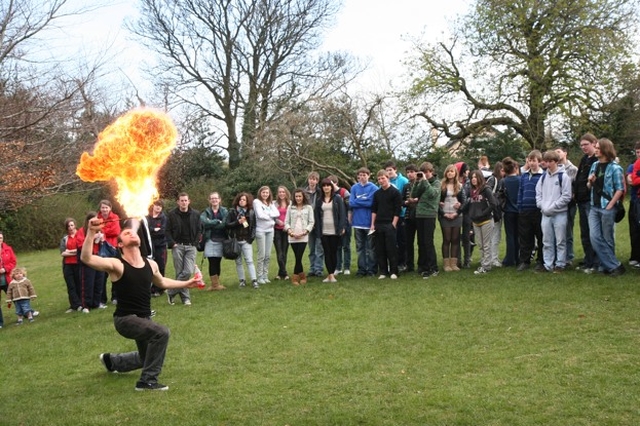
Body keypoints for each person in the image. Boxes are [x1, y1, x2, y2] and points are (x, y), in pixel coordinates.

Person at [81, 217, 199, 391]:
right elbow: (87, 258)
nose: (132, 233)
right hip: (125, 320)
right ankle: (147, 381)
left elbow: (163, 283)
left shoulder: (150, 264)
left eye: (133, 231)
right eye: (127, 233)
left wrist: (186, 283)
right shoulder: (117, 264)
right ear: (120, 244)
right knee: (161, 333)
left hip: (143, 318)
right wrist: (91, 232)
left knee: (147, 358)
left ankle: (111, 361)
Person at [587, 138, 626, 276]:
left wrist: (610, 205)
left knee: (607, 238)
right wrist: (590, 182)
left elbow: (620, 189)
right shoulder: (595, 165)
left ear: (605, 149)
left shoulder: (615, 168)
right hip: (594, 206)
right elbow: (589, 186)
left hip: (607, 206)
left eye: (598, 147)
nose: (595, 149)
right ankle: (615, 265)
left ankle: (607, 267)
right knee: (594, 237)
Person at [536, 150, 572, 272]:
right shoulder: (543, 177)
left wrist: (553, 207)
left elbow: (566, 196)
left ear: (556, 161)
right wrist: (542, 205)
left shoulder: (564, 176)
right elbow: (538, 194)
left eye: (551, 161)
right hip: (545, 213)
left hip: (559, 213)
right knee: (547, 240)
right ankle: (548, 264)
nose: (548, 164)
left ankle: (560, 264)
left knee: (560, 240)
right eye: (546, 161)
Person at [166, 192, 200, 306]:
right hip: (178, 246)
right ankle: (185, 298)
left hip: (191, 246)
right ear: (178, 202)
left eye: (186, 200)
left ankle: (171, 292)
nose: (184, 202)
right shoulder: (172, 214)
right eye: (182, 200)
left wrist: (195, 243)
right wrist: (172, 243)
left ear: (189, 201)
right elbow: (167, 230)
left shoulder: (195, 214)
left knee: (188, 271)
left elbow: (200, 229)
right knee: (179, 272)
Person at [575, 133, 600, 273]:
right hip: (581, 200)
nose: (584, 147)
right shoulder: (584, 159)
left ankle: (595, 262)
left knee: (593, 233)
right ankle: (588, 260)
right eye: (582, 145)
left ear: (594, 143)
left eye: (586, 144)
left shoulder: (597, 160)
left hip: (591, 201)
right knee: (584, 232)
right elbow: (579, 177)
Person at [371, 170, 403, 279]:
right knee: (380, 249)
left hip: (390, 224)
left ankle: (394, 271)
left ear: (387, 178)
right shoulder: (377, 194)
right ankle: (383, 271)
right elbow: (374, 210)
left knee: (391, 248)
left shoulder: (395, 192)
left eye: (383, 178)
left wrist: (393, 224)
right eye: (379, 179)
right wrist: (372, 224)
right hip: (378, 224)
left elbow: (397, 209)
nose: (381, 181)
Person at [314, 178, 347, 283]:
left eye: (328, 185)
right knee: (327, 252)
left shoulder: (337, 198)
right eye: (324, 186)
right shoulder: (319, 200)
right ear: (322, 188)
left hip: (335, 230)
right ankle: (330, 275)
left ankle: (332, 274)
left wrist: (342, 227)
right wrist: (318, 230)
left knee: (333, 252)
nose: (326, 187)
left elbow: (342, 214)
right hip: (324, 231)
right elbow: (317, 217)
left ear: (331, 187)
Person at [517, 150, 544, 272]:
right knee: (525, 237)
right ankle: (525, 261)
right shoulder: (524, 176)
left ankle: (541, 261)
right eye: (530, 160)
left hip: (538, 210)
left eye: (534, 161)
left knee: (540, 236)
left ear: (539, 162)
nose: (532, 163)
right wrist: (520, 206)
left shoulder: (543, 176)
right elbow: (520, 191)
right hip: (525, 210)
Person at [412, 162, 441, 278]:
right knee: (421, 242)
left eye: (427, 172)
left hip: (430, 214)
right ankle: (423, 266)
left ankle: (433, 267)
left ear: (431, 171)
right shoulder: (422, 182)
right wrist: (417, 182)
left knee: (428, 242)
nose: (425, 174)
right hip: (420, 214)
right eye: (423, 172)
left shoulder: (437, 183)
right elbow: (414, 194)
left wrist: (424, 181)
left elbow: (432, 194)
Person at [465, 170, 496, 275]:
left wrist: (483, 213)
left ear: (480, 178)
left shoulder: (486, 189)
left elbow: (493, 204)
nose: (473, 179)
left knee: (486, 244)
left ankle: (486, 266)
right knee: (480, 244)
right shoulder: (471, 190)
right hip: (475, 221)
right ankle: (484, 262)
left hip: (486, 220)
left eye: (475, 177)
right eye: (471, 177)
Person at [349, 167, 378, 277]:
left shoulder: (373, 188)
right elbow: (351, 203)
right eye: (360, 175)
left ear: (368, 175)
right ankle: (361, 269)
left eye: (364, 175)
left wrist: (358, 201)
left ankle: (371, 269)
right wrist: (363, 201)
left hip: (369, 222)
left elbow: (371, 203)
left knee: (370, 247)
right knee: (360, 248)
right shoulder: (354, 188)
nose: (362, 177)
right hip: (357, 222)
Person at [226, 192, 259, 288]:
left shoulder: (251, 212)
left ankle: (254, 280)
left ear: (247, 201)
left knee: (249, 260)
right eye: (240, 199)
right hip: (235, 240)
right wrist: (237, 222)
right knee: (238, 261)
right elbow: (227, 225)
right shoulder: (232, 212)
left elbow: (253, 227)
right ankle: (242, 280)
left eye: (244, 200)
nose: (242, 201)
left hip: (246, 240)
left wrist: (251, 239)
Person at [76, 211, 106, 312]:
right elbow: (80, 245)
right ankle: (86, 305)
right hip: (88, 260)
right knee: (87, 282)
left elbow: (104, 241)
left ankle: (96, 303)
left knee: (99, 281)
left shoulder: (100, 230)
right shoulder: (81, 231)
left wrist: (101, 238)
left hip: (98, 257)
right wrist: (92, 238)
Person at [284, 189, 315, 285]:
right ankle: (302, 276)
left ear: (303, 197)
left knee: (299, 257)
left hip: (303, 236)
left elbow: (311, 222)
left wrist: (305, 232)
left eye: (300, 196)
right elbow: (286, 222)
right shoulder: (290, 207)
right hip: (292, 236)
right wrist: (290, 231)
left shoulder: (308, 207)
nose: (298, 198)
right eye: (296, 196)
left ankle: (295, 277)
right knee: (297, 257)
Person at [438, 164, 466, 272]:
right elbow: (437, 202)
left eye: (452, 171)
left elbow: (464, 201)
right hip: (445, 214)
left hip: (456, 215)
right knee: (447, 239)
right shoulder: (442, 185)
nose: (450, 173)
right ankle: (446, 264)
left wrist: (458, 211)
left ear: (455, 173)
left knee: (455, 239)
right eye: (448, 171)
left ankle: (454, 263)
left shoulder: (459, 185)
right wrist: (443, 213)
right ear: (446, 173)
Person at [384, 161, 409, 270]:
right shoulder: (385, 181)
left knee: (402, 240)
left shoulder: (403, 181)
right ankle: (393, 262)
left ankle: (403, 262)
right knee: (391, 240)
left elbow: (407, 195)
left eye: (390, 170)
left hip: (401, 214)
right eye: (387, 170)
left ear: (395, 170)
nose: (389, 172)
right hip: (389, 215)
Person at [200, 192, 228, 291]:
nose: (214, 200)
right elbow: (203, 222)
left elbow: (224, 224)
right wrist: (216, 221)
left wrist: (210, 223)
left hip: (221, 239)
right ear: (209, 200)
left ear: (219, 199)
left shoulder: (224, 211)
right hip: (210, 239)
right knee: (212, 261)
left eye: (216, 198)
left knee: (218, 261)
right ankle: (214, 285)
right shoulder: (206, 211)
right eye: (212, 198)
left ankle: (217, 284)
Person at [555, 146, 578, 266]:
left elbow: (576, 185)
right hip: (557, 204)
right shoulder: (555, 169)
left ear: (565, 153)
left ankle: (569, 256)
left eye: (558, 152)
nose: (557, 154)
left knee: (568, 230)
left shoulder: (573, 169)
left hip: (570, 204)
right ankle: (558, 256)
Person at [253, 186, 280, 284]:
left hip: (270, 230)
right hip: (261, 230)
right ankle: (259, 276)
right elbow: (260, 215)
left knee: (268, 255)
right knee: (262, 255)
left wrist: (268, 215)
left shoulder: (271, 203)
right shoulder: (257, 202)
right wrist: (270, 215)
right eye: (263, 192)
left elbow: (276, 213)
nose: (265, 194)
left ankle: (265, 275)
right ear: (260, 193)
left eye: (267, 193)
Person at [98, 200, 121, 306]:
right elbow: (94, 230)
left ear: (110, 208)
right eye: (103, 207)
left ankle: (115, 296)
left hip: (113, 248)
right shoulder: (97, 218)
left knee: (115, 272)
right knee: (102, 275)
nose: (104, 210)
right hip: (101, 248)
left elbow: (116, 231)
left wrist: (102, 230)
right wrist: (106, 229)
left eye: (106, 207)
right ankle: (102, 299)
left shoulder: (115, 217)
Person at [499, 157, 521, 267]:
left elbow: (500, 196)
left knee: (510, 236)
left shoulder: (503, 181)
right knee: (519, 236)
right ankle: (518, 258)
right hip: (520, 211)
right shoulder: (520, 180)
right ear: (515, 168)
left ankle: (510, 259)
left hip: (508, 211)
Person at [328, 175, 351, 276]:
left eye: (330, 184)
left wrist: (347, 224)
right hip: (334, 224)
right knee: (337, 247)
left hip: (345, 223)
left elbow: (350, 208)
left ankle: (347, 267)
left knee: (346, 246)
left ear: (335, 183)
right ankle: (338, 267)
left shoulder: (344, 192)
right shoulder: (329, 194)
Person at [60, 218, 83, 313]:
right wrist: (74, 252)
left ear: (75, 225)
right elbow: (63, 253)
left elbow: (81, 250)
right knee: (71, 285)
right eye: (68, 226)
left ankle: (81, 303)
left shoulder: (80, 236)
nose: (70, 227)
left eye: (72, 225)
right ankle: (74, 305)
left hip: (78, 264)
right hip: (67, 265)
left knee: (79, 284)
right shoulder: (65, 239)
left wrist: (69, 251)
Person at [304, 172, 325, 277]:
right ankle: (312, 268)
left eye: (314, 179)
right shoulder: (304, 192)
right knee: (311, 248)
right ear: (308, 180)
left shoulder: (321, 192)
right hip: (307, 223)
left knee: (319, 248)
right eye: (311, 179)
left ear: (317, 181)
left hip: (319, 223)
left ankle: (318, 269)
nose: (312, 181)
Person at [146, 200, 168, 296]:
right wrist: (153, 230)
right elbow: (146, 230)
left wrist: (153, 231)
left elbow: (163, 231)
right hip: (149, 246)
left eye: (160, 206)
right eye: (156, 205)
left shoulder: (163, 218)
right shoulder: (147, 217)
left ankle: (160, 288)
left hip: (161, 246)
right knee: (149, 267)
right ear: (153, 206)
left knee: (160, 266)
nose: (158, 207)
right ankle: (151, 288)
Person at [455, 162, 474, 268]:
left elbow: (470, 196)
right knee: (456, 237)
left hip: (466, 212)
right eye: (467, 169)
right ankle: (458, 260)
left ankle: (467, 260)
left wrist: (462, 206)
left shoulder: (469, 182)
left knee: (466, 237)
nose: (468, 171)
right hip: (456, 212)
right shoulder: (454, 182)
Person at [486, 162, 504, 268]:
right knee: (495, 236)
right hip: (494, 212)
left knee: (494, 236)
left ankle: (492, 258)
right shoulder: (494, 180)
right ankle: (493, 259)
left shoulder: (493, 179)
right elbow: (489, 195)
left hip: (495, 211)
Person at [402, 164, 419, 273]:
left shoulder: (421, 184)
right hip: (408, 216)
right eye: (408, 172)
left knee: (421, 242)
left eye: (412, 172)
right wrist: (406, 202)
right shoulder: (406, 186)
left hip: (419, 216)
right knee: (408, 242)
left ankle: (422, 264)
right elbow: (401, 201)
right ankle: (409, 265)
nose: (410, 174)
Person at [626, 141, 640, 268]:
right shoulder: (632, 166)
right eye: (637, 152)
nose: (639, 154)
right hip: (635, 200)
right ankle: (635, 256)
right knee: (634, 230)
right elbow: (631, 181)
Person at [273, 186, 291, 281]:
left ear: (286, 193)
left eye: (283, 192)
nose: (281, 194)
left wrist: (287, 226)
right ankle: (285, 273)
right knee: (279, 252)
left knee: (284, 252)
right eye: (280, 192)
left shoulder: (290, 204)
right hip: (277, 230)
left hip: (286, 230)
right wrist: (277, 221)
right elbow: (271, 215)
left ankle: (280, 273)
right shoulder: (274, 204)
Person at [0, 231, 17, 327]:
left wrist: (5, 269)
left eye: (1, 238)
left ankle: (26, 312)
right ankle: (0, 322)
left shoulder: (8, 249)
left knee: (16, 296)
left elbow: (13, 261)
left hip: (7, 279)